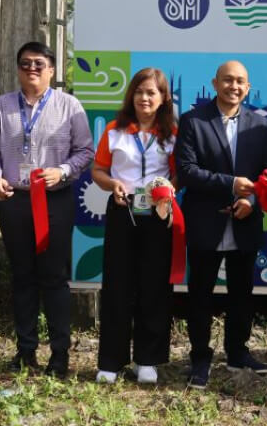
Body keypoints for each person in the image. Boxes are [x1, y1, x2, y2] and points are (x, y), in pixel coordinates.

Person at [0, 41, 93, 377]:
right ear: (18, 69)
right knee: (23, 276)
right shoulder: (1, 106)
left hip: (55, 200)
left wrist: (64, 171)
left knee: (55, 278)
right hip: (14, 200)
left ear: (52, 70)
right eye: (25, 63)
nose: (32, 68)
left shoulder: (70, 106)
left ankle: (59, 356)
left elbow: (86, 151)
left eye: (39, 64)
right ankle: (25, 352)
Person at [176, 60, 267, 389]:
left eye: (241, 82)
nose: (234, 87)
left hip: (245, 222)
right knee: (200, 295)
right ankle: (200, 359)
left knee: (241, 294)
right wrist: (232, 184)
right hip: (205, 221)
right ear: (215, 83)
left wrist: (252, 201)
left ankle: (237, 352)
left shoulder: (259, 126)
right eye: (228, 80)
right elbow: (187, 171)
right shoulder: (193, 120)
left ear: (248, 88)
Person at [93, 68, 178, 385]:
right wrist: (111, 183)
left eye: (152, 92)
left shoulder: (171, 133)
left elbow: (177, 173)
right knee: (117, 285)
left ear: (163, 98)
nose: (145, 98)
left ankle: (148, 360)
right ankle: (111, 362)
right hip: (122, 210)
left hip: (158, 213)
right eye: (140, 91)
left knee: (154, 286)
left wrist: (168, 192)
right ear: (132, 94)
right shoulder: (115, 130)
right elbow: (98, 169)